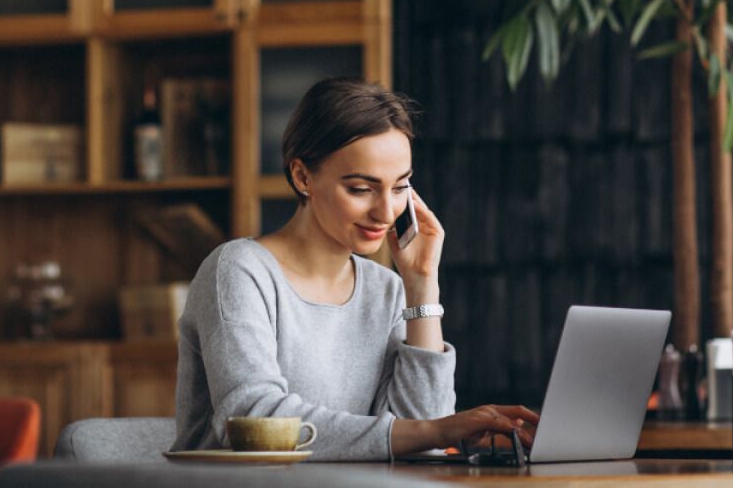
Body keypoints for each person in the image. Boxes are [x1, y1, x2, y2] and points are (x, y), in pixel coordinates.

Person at [172, 77, 538, 461]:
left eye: (400, 187)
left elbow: (420, 438)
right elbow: (252, 420)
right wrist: (435, 430)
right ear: (302, 177)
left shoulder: (386, 290)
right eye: (361, 189)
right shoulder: (238, 271)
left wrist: (422, 286)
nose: (385, 212)